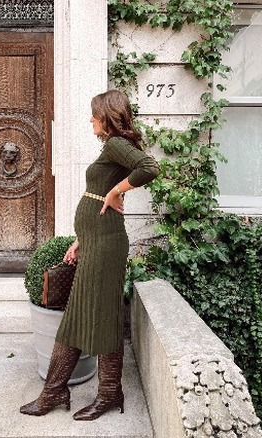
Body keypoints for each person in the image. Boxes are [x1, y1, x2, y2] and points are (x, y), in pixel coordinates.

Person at [20, 89, 159, 421]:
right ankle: (58, 391)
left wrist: (115, 192)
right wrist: (81, 240)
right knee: (82, 315)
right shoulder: (111, 149)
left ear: (107, 116)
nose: (90, 120)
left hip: (107, 246)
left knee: (98, 316)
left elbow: (150, 167)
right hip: (97, 241)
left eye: (94, 114)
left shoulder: (114, 144)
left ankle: (103, 393)